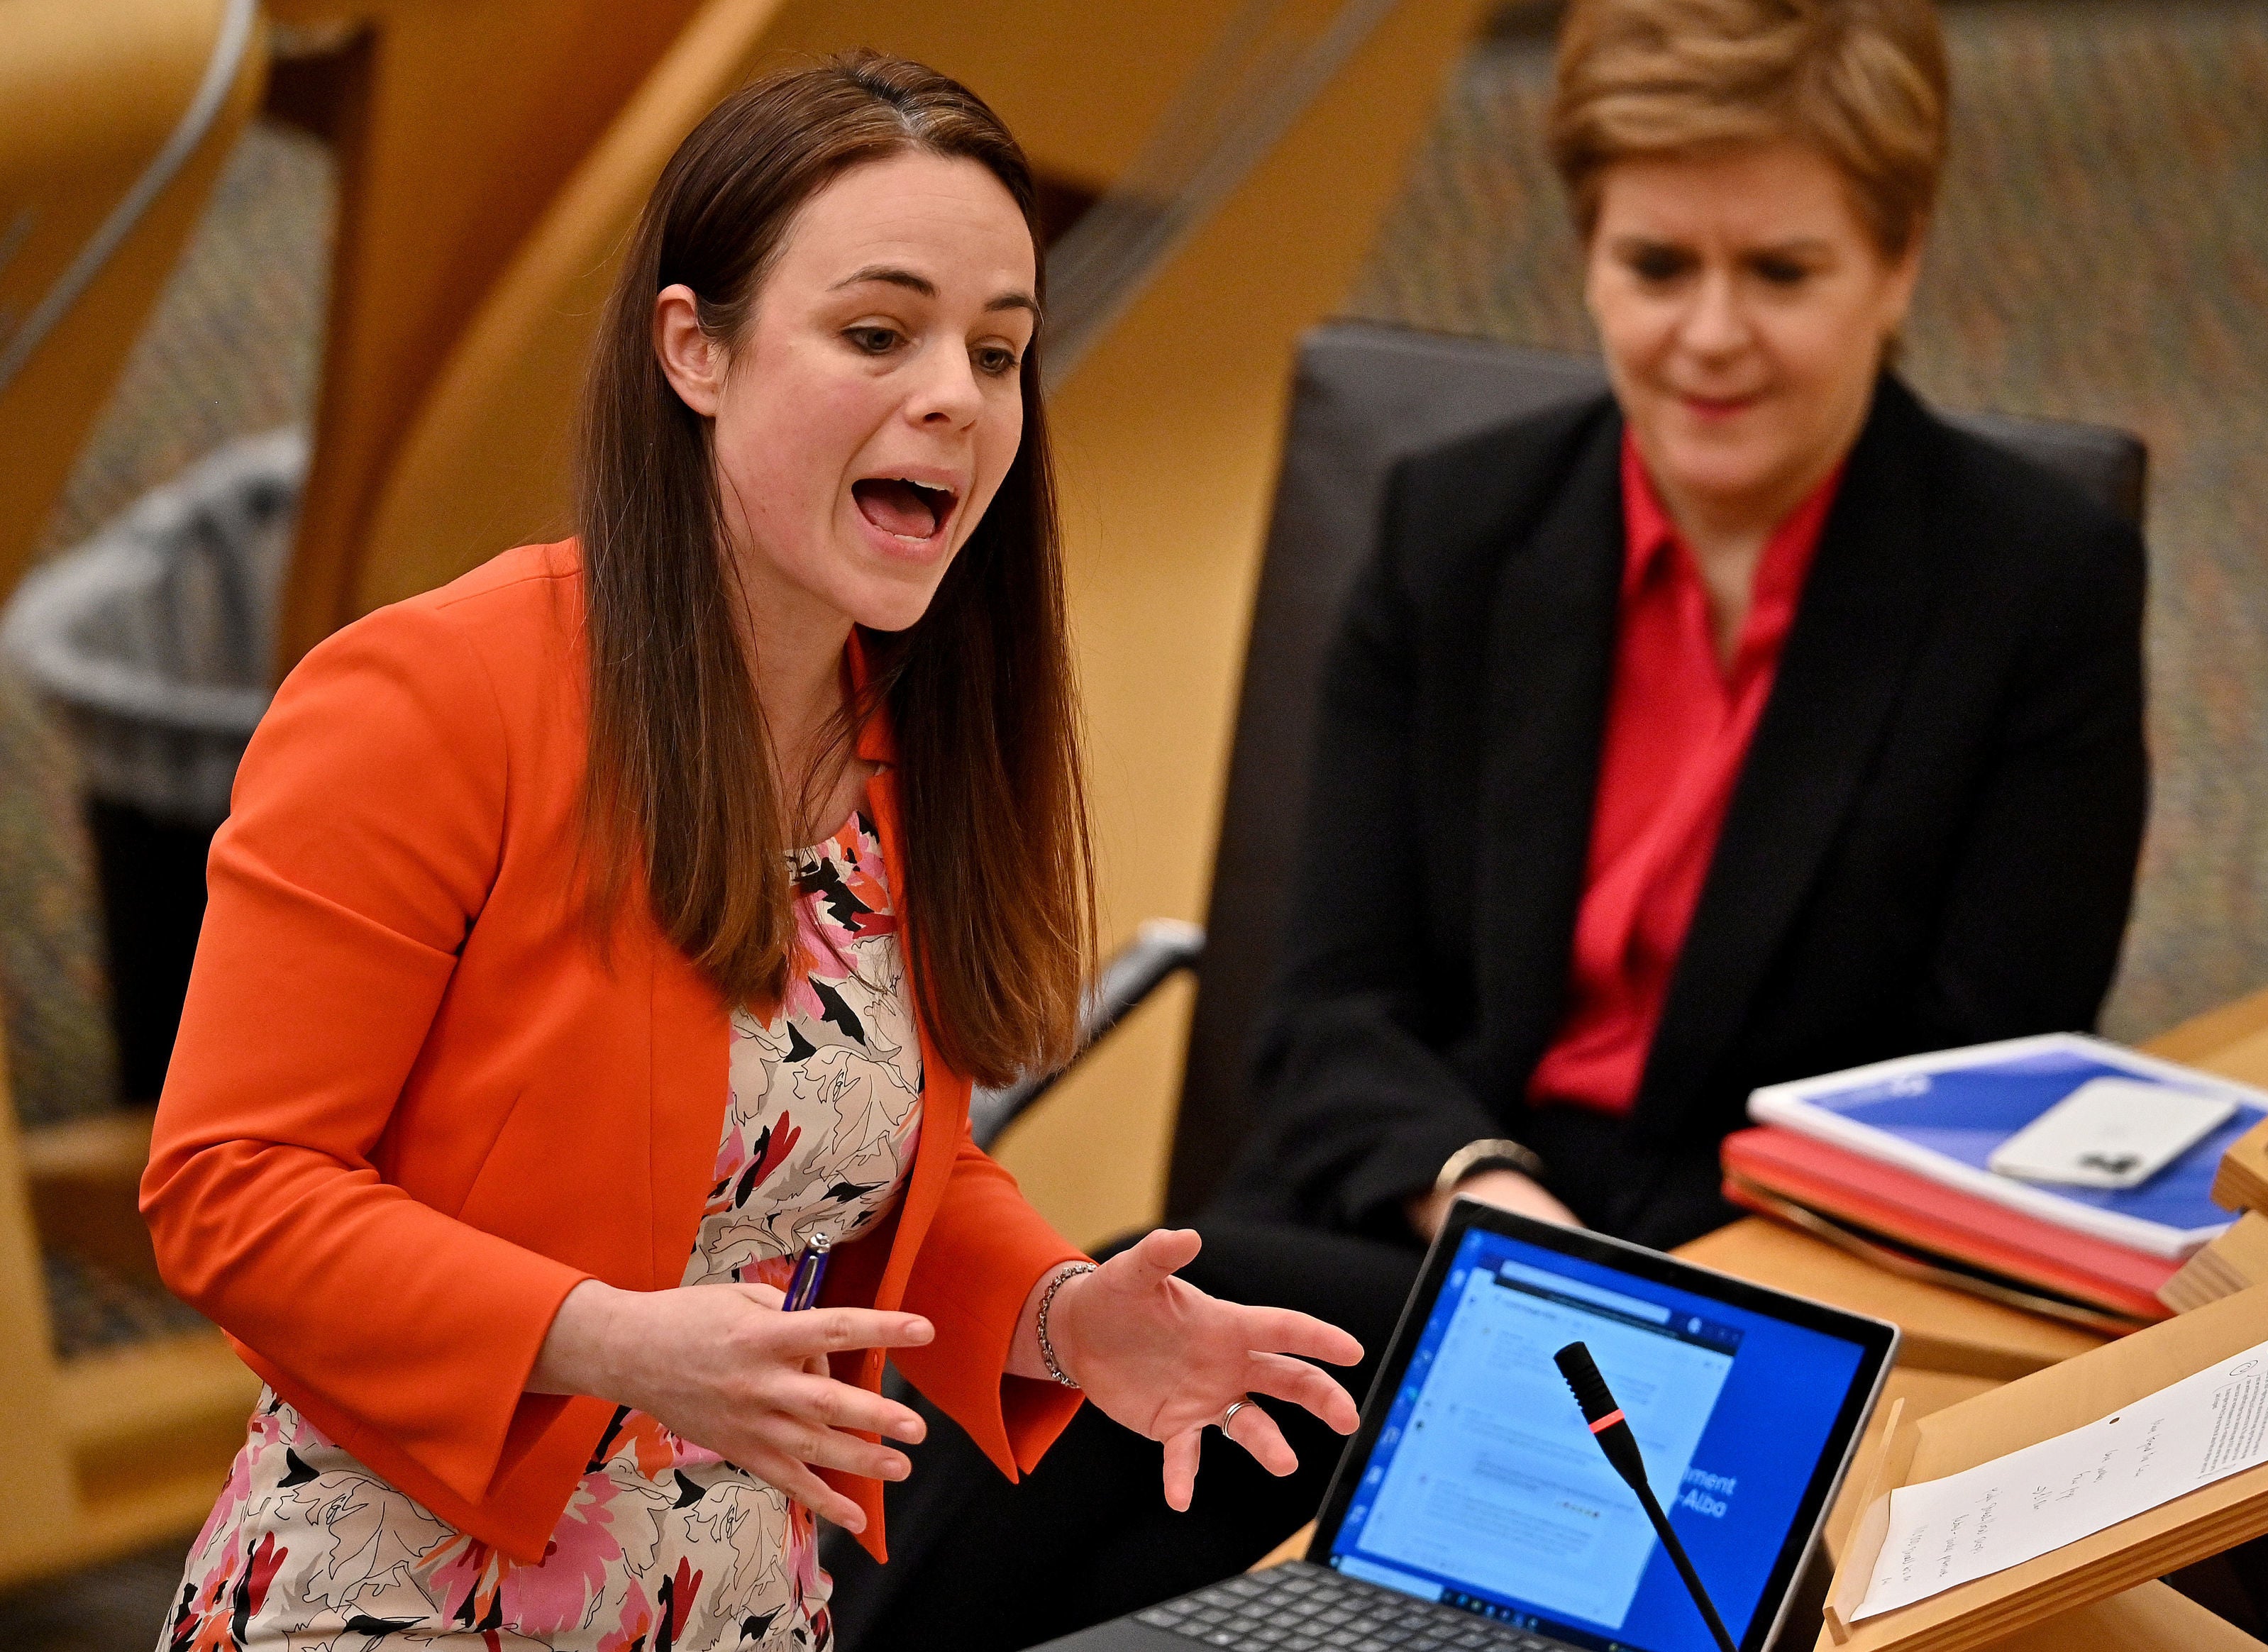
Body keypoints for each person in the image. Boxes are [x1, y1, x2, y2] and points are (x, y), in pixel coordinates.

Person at [827, 0, 2146, 1646]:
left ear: (1897, 265)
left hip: (1763, 1317)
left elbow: (1974, 1088)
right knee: (1123, 1427)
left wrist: (1635, 1289)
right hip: (1425, 1232)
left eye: (1783, 273)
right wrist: (1494, 1206)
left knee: (1154, 1389)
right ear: (1590, 260)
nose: (1711, 333)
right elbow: (1327, 1007)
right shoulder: (1458, 528)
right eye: (1659, 266)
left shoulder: (2033, 588)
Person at [139, 55, 1362, 1652]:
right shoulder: (430, 698)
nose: (955, 396)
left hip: (740, 1598)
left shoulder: (902, 730)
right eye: (877, 332)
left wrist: (1059, 1314)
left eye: (998, 353)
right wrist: (604, 1339)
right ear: (693, 348)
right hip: (400, 1592)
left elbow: (812, 1148)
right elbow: (231, 1190)